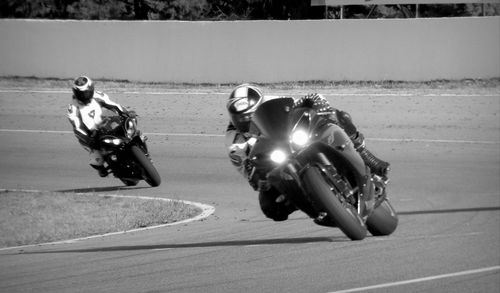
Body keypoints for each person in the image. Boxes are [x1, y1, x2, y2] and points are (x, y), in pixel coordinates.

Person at [225, 83, 390, 222]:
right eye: (239, 118)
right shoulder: (233, 142)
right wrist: (259, 176)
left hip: (300, 140)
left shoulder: (273, 102)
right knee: (270, 207)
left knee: (339, 116)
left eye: (249, 116)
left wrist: (317, 103)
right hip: (277, 162)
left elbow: (307, 103)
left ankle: (368, 158)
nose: (245, 121)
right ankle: (311, 200)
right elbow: (251, 176)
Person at [67, 75, 130, 177]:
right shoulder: (73, 108)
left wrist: (125, 112)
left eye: (87, 92)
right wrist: (89, 139)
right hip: (90, 135)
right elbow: (77, 128)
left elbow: (112, 104)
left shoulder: (98, 95)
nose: (85, 95)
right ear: (76, 93)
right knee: (97, 159)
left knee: (126, 127)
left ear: (91, 88)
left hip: (105, 124)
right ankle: (101, 169)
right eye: (82, 93)